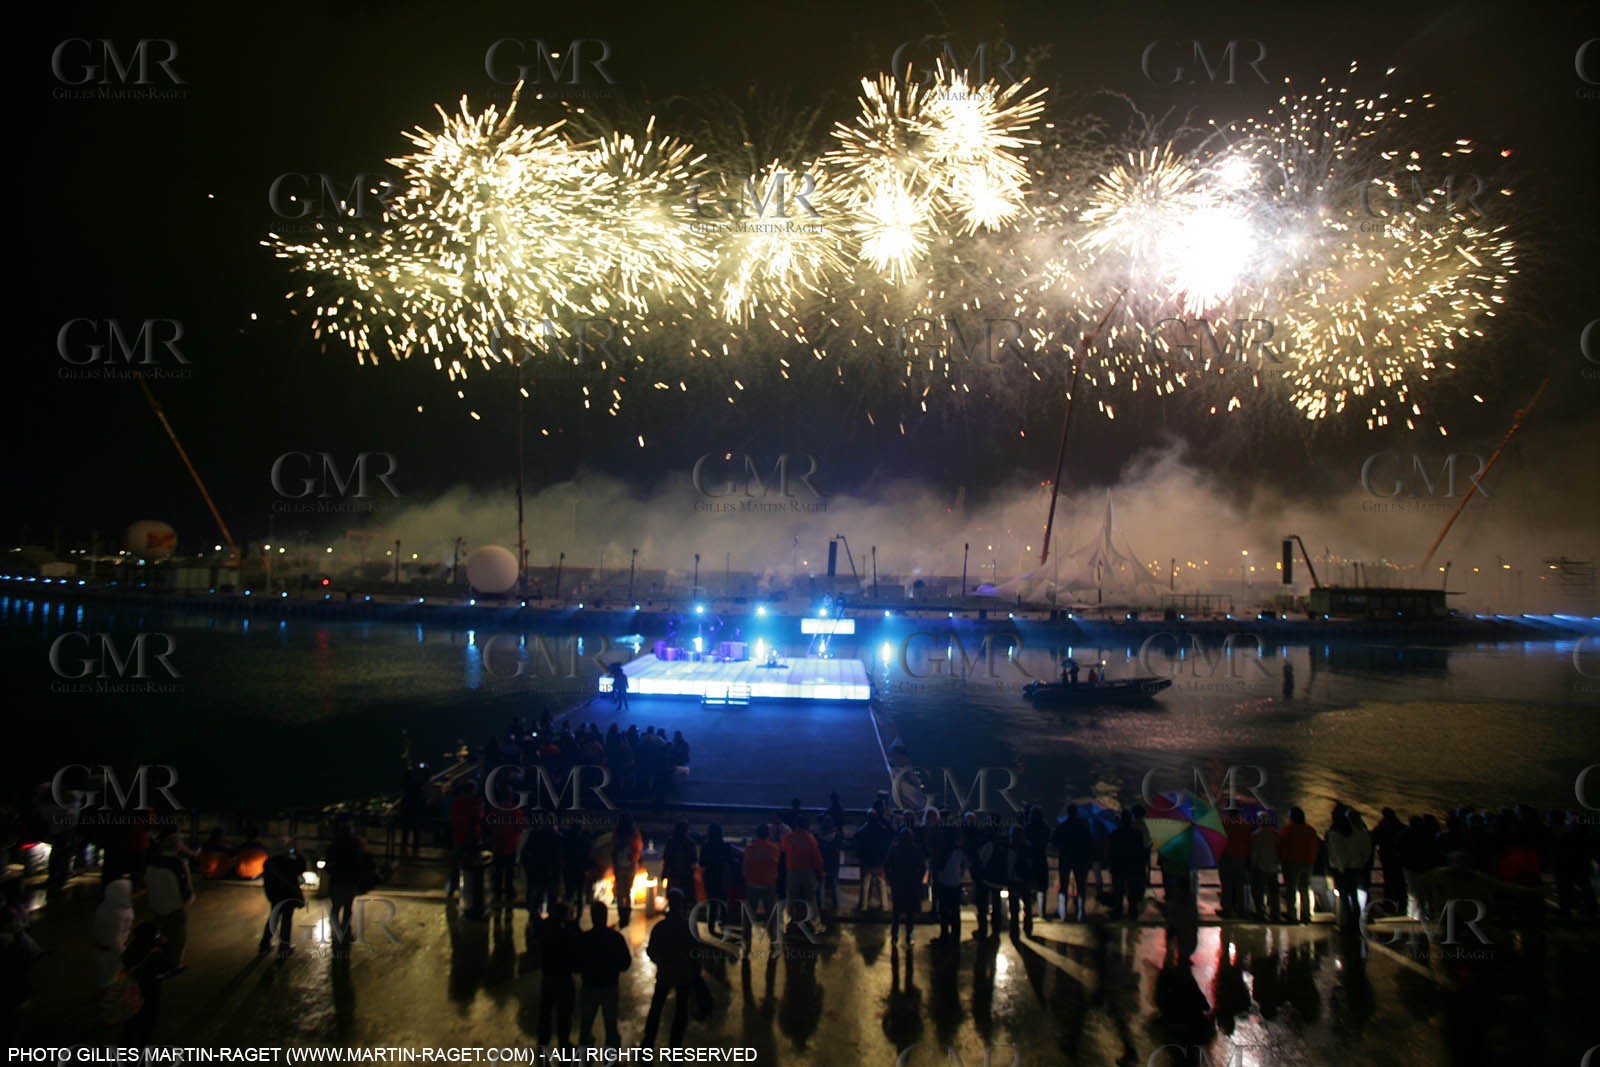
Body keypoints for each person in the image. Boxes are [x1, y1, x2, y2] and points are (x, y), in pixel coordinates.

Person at [642, 890, 700, 1049]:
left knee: (656, 1010)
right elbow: (696, 954)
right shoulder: (688, 929)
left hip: (665, 974)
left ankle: (647, 1046)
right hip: (683, 975)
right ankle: (675, 1050)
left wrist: (661, 963)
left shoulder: (660, 927)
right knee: (681, 1013)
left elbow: (651, 951)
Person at [577, 901, 632, 1048]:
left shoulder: (585, 939)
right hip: (609, 987)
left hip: (589, 986)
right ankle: (611, 1058)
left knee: (586, 1024)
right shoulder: (615, 938)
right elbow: (626, 963)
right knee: (610, 1026)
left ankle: (584, 1056)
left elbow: (576, 964)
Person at [145, 834, 193, 974]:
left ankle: (157, 959)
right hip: (174, 906)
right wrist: (187, 901)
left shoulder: (152, 861)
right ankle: (175, 964)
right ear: (177, 846)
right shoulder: (177, 864)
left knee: (159, 934)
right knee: (177, 937)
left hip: (156, 905)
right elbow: (185, 886)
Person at [537, 904, 580, 1049]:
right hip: (563, 978)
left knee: (546, 1011)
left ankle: (543, 1041)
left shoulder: (546, 929)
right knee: (564, 1014)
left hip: (548, 976)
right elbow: (576, 944)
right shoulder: (567, 932)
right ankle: (563, 1042)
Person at [324, 821, 368, 956]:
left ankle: (335, 930)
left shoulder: (333, 845)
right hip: (349, 879)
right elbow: (360, 860)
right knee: (348, 907)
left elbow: (328, 861)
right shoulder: (354, 845)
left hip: (337, 879)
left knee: (335, 907)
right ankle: (346, 930)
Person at [259, 838, 307, 957]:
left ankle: (264, 944)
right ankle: (284, 947)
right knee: (286, 919)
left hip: (274, 894)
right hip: (288, 894)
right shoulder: (288, 861)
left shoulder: (268, 862)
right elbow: (301, 868)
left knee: (273, 917)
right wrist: (299, 854)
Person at [1278, 807, 1321, 924]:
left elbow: (1282, 846)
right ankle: (1306, 914)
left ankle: (1292, 914)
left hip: (1292, 863)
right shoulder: (1310, 830)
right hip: (1308, 863)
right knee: (1305, 889)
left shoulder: (1288, 830)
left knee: (1291, 890)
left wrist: (1282, 860)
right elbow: (1316, 847)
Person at [886, 827, 926, 945]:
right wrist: (918, 880)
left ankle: (895, 936)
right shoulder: (916, 849)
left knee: (897, 912)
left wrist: (891, 878)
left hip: (898, 883)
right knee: (910, 912)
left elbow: (887, 864)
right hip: (911, 884)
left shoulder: (894, 849)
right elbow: (922, 867)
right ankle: (909, 935)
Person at [1053, 806, 1094, 921]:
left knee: (1064, 886)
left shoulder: (1063, 826)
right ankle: (1080, 913)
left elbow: (1055, 841)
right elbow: (1089, 842)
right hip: (1079, 858)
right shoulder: (1082, 826)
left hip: (1065, 858)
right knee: (1081, 886)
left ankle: (1063, 913)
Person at [446, 779, 484, 900]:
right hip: (471, 838)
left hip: (458, 836)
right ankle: (470, 891)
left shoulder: (456, 803)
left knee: (455, 865)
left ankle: (452, 888)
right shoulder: (474, 804)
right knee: (472, 866)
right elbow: (479, 817)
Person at [742, 824, 781, 939]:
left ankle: (746, 941)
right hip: (769, 885)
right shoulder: (774, 849)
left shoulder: (749, 849)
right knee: (771, 916)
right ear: (768, 834)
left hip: (752, 884)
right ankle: (773, 941)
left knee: (749, 916)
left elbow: (744, 869)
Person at [94, 878, 134, 989]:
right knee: (110, 979)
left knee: (109, 977)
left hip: (108, 950)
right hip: (112, 953)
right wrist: (126, 955)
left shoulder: (106, 906)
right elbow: (114, 940)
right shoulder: (117, 913)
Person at [931, 827, 968, 946]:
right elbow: (963, 866)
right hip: (956, 883)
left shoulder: (944, 850)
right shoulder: (960, 850)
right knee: (955, 911)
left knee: (944, 911)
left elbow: (939, 866)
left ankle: (944, 935)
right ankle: (955, 936)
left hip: (944, 882)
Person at [782, 815, 825, 916]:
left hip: (792, 871)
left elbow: (783, 850)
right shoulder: (810, 839)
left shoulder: (788, 838)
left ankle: (791, 921)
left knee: (792, 898)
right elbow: (816, 858)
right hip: (807, 872)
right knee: (810, 898)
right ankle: (813, 922)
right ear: (807, 826)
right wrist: (821, 872)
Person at [1108, 810, 1147, 919]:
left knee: (1119, 890)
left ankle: (1119, 910)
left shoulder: (1115, 834)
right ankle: (1132, 911)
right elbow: (1140, 850)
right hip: (1132, 866)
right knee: (1132, 890)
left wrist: (1110, 864)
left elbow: (1112, 851)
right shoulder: (1137, 834)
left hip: (1119, 865)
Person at [854, 808, 892, 911]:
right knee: (881, 884)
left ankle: (863, 906)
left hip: (866, 861)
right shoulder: (882, 829)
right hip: (879, 861)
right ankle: (885, 906)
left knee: (865, 884)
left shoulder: (863, 830)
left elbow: (858, 842)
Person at [698, 823, 733, 936]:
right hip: (722, 877)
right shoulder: (725, 846)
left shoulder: (706, 846)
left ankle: (711, 925)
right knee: (723, 901)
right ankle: (723, 923)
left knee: (712, 902)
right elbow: (730, 861)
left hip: (710, 877)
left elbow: (702, 863)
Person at [1219, 808, 1253, 919]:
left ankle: (1227, 910)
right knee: (1239, 884)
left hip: (1226, 857)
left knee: (1227, 885)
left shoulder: (1224, 824)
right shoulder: (1245, 825)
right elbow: (1249, 842)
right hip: (1241, 857)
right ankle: (1241, 909)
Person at [611, 814, 643, 928]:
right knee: (628, 891)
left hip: (619, 866)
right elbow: (638, 848)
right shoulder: (634, 833)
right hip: (630, 865)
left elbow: (613, 849)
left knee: (620, 891)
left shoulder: (617, 833)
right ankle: (627, 915)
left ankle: (621, 915)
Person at [1249, 812, 1281, 922]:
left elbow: (1255, 852)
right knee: (1274, 892)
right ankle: (1275, 913)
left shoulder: (1256, 835)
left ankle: (1260, 913)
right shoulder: (1276, 834)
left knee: (1259, 891)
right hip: (1273, 866)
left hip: (1260, 867)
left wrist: (1252, 865)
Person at [660, 821, 698, 903]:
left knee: (673, 899)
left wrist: (664, 875)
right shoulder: (690, 843)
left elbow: (666, 860)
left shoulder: (670, 842)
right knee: (686, 900)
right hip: (686, 877)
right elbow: (694, 861)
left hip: (673, 875)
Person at [816, 815, 843, 914]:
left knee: (821, 884)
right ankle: (837, 905)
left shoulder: (818, 836)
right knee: (835, 884)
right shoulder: (837, 835)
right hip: (834, 863)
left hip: (822, 862)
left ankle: (821, 906)